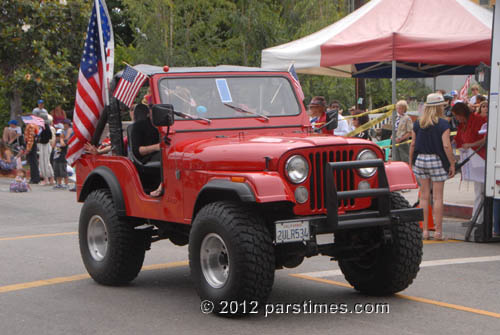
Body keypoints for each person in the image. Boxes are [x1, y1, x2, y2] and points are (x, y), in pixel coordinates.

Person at [409, 93, 455, 241]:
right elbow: (446, 145)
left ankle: (424, 231)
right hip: (436, 160)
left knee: (424, 196)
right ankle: (438, 232)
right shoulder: (443, 124)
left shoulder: (418, 123)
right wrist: (452, 163)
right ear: (439, 107)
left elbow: (413, 144)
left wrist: (411, 162)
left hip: (420, 159)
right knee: (438, 197)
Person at [451, 102, 487, 227]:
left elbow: (486, 139)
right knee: (478, 191)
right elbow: (459, 139)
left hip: (481, 158)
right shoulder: (463, 124)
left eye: (457, 115)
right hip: (473, 160)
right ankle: (476, 218)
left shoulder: (479, 120)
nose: (456, 118)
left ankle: (479, 219)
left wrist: (471, 145)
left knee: (481, 191)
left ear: (462, 113)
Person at [37, 115, 54, 186]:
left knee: (46, 162)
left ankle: (50, 178)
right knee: (42, 162)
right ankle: (46, 178)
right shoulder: (41, 128)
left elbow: (49, 136)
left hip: (45, 145)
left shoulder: (46, 127)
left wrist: (41, 138)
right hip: (42, 145)